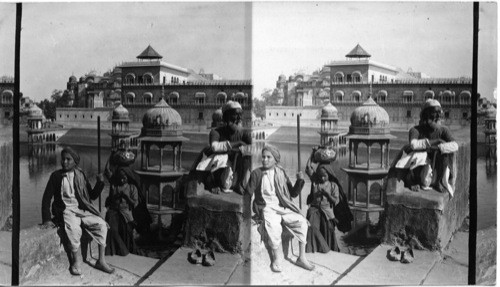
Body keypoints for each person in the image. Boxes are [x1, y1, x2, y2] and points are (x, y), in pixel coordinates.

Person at [41, 147, 115, 275]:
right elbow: (46, 198)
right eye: (63, 159)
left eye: (68, 159)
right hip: (66, 211)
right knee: (74, 229)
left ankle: (101, 261)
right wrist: (47, 219)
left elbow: (91, 196)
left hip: (81, 210)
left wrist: (100, 183)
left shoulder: (81, 175)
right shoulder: (56, 176)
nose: (64, 162)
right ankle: (76, 261)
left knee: (102, 225)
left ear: (75, 162)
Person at [246, 144, 314, 273]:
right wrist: (247, 213)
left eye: (268, 157)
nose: (265, 160)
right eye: (263, 157)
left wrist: (299, 181)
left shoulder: (281, 172)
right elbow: (248, 194)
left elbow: (292, 193)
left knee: (301, 222)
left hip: (282, 206)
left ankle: (302, 257)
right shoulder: (256, 173)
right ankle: (277, 259)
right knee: (274, 227)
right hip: (266, 208)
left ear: (275, 160)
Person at [397, 99, 458, 195]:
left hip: (435, 168)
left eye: (439, 115)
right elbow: (414, 145)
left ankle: (439, 182)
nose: (437, 118)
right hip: (420, 169)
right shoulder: (415, 130)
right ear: (426, 116)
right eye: (434, 115)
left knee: (446, 154)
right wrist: (436, 141)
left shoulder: (443, 130)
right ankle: (411, 181)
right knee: (419, 155)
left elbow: (455, 145)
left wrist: (439, 147)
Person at [195, 101, 252, 194]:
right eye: (235, 115)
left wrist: (238, 149)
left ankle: (239, 184)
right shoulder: (216, 132)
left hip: (236, 170)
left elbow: (255, 148)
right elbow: (215, 147)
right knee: (221, 158)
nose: (239, 118)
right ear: (226, 117)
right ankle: (212, 183)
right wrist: (238, 143)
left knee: (248, 157)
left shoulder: (244, 133)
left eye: (240, 115)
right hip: (220, 170)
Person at [105, 167, 151, 256]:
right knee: (112, 227)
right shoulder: (115, 186)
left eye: (125, 177)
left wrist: (126, 197)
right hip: (115, 211)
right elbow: (110, 200)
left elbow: (135, 203)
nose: (122, 179)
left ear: (128, 177)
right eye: (121, 177)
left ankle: (125, 249)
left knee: (127, 229)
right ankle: (116, 250)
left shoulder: (132, 187)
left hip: (126, 212)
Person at [304, 154, 340, 253]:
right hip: (315, 209)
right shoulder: (315, 181)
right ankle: (316, 249)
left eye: (324, 176)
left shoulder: (333, 186)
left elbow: (335, 201)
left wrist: (328, 195)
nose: (322, 178)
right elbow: (308, 168)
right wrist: (312, 154)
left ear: (329, 174)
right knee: (312, 227)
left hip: (327, 211)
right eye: (320, 176)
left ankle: (327, 250)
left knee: (328, 231)